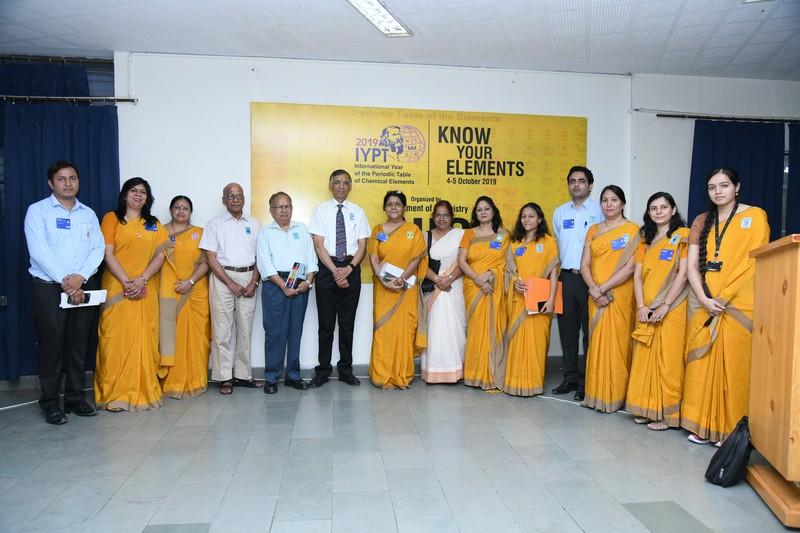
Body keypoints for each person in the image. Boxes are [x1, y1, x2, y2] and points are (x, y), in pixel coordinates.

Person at [682, 168, 769, 445]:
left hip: (738, 304)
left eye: (724, 185)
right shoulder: (702, 221)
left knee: (735, 367)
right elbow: (692, 266)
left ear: (736, 187)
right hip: (705, 302)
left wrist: (723, 298)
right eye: (712, 187)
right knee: (702, 366)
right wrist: (704, 299)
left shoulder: (755, 216)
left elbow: (754, 262)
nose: (718, 191)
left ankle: (731, 430)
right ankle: (702, 425)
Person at [24, 160, 105, 424]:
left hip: (83, 285)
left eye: (72, 178)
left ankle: (74, 398)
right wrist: (66, 281)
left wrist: (80, 278)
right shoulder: (37, 211)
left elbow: (98, 248)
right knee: (52, 345)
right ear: (51, 183)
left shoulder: (88, 214)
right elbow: (39, 250)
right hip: (49, 287)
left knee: (78, 344)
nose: (68, 183)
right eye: (61, 179)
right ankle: (50, 402)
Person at [95, 177, 168, 411]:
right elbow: (107, 253)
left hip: (145, 287)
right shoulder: (111, 219)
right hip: (117, 288)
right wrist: (127, 281)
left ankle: (144, 391)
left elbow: (160, 256)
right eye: (133, 190)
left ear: (148, 197)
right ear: (125, 194)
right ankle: (114, 395)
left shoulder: (154, 224)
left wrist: (142, 279)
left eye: (143, 192)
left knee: (145, 338)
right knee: (114, 339)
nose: (138, 195)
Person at [625, 192, 689, 430]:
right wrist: (641, 306)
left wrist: (665, 304)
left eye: (663, 207)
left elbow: (683, 273)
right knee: (644, 359)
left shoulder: (683, 236)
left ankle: (667, 416)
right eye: (654, 208)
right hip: (647, 307)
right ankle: (647, 409)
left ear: (673, 210)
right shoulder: (646, 239)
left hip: (672, 306)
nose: (659, 212)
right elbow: (637, 275)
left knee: (668, 361)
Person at [308, 169, 370, 388]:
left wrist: (349, 269)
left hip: (351, 268)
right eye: (337, 182)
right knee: (325, 324)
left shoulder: (358, 212)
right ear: (330, 186)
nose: (341, 186)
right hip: (327, 269)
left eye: (345, 182)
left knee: (347, 324)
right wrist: (336, 271)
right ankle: (323, 371)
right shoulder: (320, 211)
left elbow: (363, 246)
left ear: (350, 186)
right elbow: (318, 245)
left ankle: (345, 370)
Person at [199, 183, 262, 394]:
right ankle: (224, 377)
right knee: (222, 330)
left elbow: (260, 256)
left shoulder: (255, 224)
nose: (235, 199)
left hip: (249, 278)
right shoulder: (214, 224)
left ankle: (243, 375)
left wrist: (254, 282)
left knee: (245, 330)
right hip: (222, 278)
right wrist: (230, 282)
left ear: (243, 198)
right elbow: (210, 258)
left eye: (238, 195)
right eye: (231, 196)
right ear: (224, 200)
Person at [580, 185, 638, 413]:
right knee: (596, 342)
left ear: (622, 203)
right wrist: (594, 289)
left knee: (618, 343)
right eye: (605, 200)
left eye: (614, 199)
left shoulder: (633, 230)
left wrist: (603, 288)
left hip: (619, 294)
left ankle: (616, 395)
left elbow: (632, 266)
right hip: (595, 294)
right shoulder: (593, 230)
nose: (609, 204)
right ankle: (595, 395)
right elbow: (584, 264)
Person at [256, 192, 318, 394]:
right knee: (275, 332)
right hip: (275, 285)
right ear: (271, 210)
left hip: (300, 284)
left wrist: (308, 282)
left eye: (287, 206)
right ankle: (271, 377)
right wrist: (283, 286)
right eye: (279, 207)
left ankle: (293, 376)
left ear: (292, 208)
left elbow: (311, 258)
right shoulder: (265, 233)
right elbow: (264, 263)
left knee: (295, 331)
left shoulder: (302, 229)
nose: (284, 210)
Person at [551, 166, 603, 401]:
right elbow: (558, 243)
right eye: (572, 181)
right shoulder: (560, 213)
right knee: (567, 332)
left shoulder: (601, 211)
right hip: (566, 278)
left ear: (590, 185)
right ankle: (570, 378)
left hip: (591, 279)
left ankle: (587, 381)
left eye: (581, 181)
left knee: (589, 332)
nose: (576, 185)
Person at [367, 191, 427, 389]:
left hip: (405, 288)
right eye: (390, 204)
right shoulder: (378, 230)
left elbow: (417, 258)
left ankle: (402, 374)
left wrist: (401, 278)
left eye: (397, 204)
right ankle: (381, 375)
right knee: (383, 331)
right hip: (384, 289)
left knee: (404, 331)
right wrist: (383, 280)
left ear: (404, 208)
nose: (393, 207)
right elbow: (373, 257)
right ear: (385, 208)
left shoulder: (413, 230)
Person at [502, 203, 560, 397]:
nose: (527, 220)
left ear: (540, 219)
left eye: (531, 216)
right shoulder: (514, 243)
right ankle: (514, 383)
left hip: (539, 302)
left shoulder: (548, 242)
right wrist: (514, 283)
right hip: (518, 300)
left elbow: (554, 273)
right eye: (524, 216)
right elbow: (508, 272)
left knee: (536, 343)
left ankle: (532, 384)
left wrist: (551, 299)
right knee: (516, 342)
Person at [158, 195, 211, 399]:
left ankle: (196, 380)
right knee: (171, 336)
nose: (181, 211)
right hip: (169, 292)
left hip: (195, 290)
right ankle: (173, 382)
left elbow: (206, 262)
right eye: (177, 207)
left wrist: (190, 281)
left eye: (185, 208)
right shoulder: (159, 232)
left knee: (197, 338)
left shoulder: (200, 233)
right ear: (171, 210)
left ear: (190, 212)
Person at [457, 196, 509, 390]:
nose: (483, 212)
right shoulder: (469, 234)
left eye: (486, 209)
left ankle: (493, 374)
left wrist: (490, 275)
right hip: (473, 286)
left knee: (495, 329)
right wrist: (478, 279)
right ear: (475, 214)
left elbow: (508, 263)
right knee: (477, 330)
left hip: (495, 287)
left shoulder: (503, 235)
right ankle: (475, 375)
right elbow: (461, 261)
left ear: (493, 211)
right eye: (479, 210)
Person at [421, 200, 466, 383]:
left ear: (452, 217)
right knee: (436, 329)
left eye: (446, 215)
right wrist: (438, 280)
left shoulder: (460, 235)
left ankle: (457, 370)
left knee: (456, 328)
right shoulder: (425, 236)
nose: (442, 219)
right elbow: (420, 264)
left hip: (455, 287)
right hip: (434, 288)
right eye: (438, 215)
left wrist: (450, 278)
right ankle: (435, 371)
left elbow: (465, 261)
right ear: (433, 217)